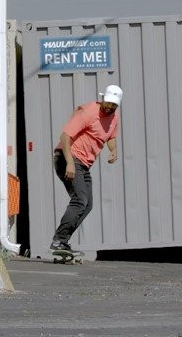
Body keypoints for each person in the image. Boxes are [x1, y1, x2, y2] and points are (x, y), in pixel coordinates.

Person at [49, 84, 122, 253]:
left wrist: (114, 150)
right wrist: (70, 162)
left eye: (114, 105)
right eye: (109, 103)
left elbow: (110, 136)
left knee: (87, 205)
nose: (110, 107)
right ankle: (59, 240)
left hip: (83, 164)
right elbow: (65, 136)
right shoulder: (88, 111)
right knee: (79, 200)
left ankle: (63, 241)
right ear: (103, 98)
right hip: (67, 157)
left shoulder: (114, 118)